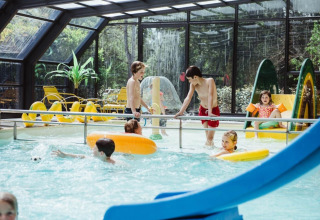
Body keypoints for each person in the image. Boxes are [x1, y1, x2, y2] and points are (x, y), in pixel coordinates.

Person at [174, 66, 220, 146]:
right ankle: (210, 150)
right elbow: (188, 98)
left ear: (195, 77)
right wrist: (181, 112)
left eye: (189, 79)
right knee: (208, 137)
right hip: (202, 110)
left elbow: (210, 96)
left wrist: (210, 112)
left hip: (213, 110)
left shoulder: (209, 81)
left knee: (210, 138)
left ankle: (208, 150)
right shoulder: (193, 85)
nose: (189, 81)